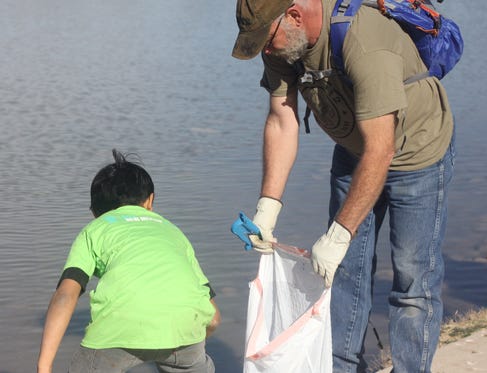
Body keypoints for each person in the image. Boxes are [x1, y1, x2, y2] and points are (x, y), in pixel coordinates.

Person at [232, 0, 455, 372]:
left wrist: (339, 234)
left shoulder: (363, 41)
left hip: (417, 154)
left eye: (267, 40)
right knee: (340, 273)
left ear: (295, 15)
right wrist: (267, 207)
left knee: (413, 281)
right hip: (356, 150)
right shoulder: (282, 43)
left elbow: (382, 149)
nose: (265, 50)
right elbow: (281, 117)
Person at [37, 149, 221, 373]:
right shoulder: (174, 232)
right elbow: (213, 318)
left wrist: (44, 366)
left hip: (117, 329)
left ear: (95, 211)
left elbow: (66, 294)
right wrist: (183, 340)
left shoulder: (94, 230)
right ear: (149, 201)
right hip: (185, 331)